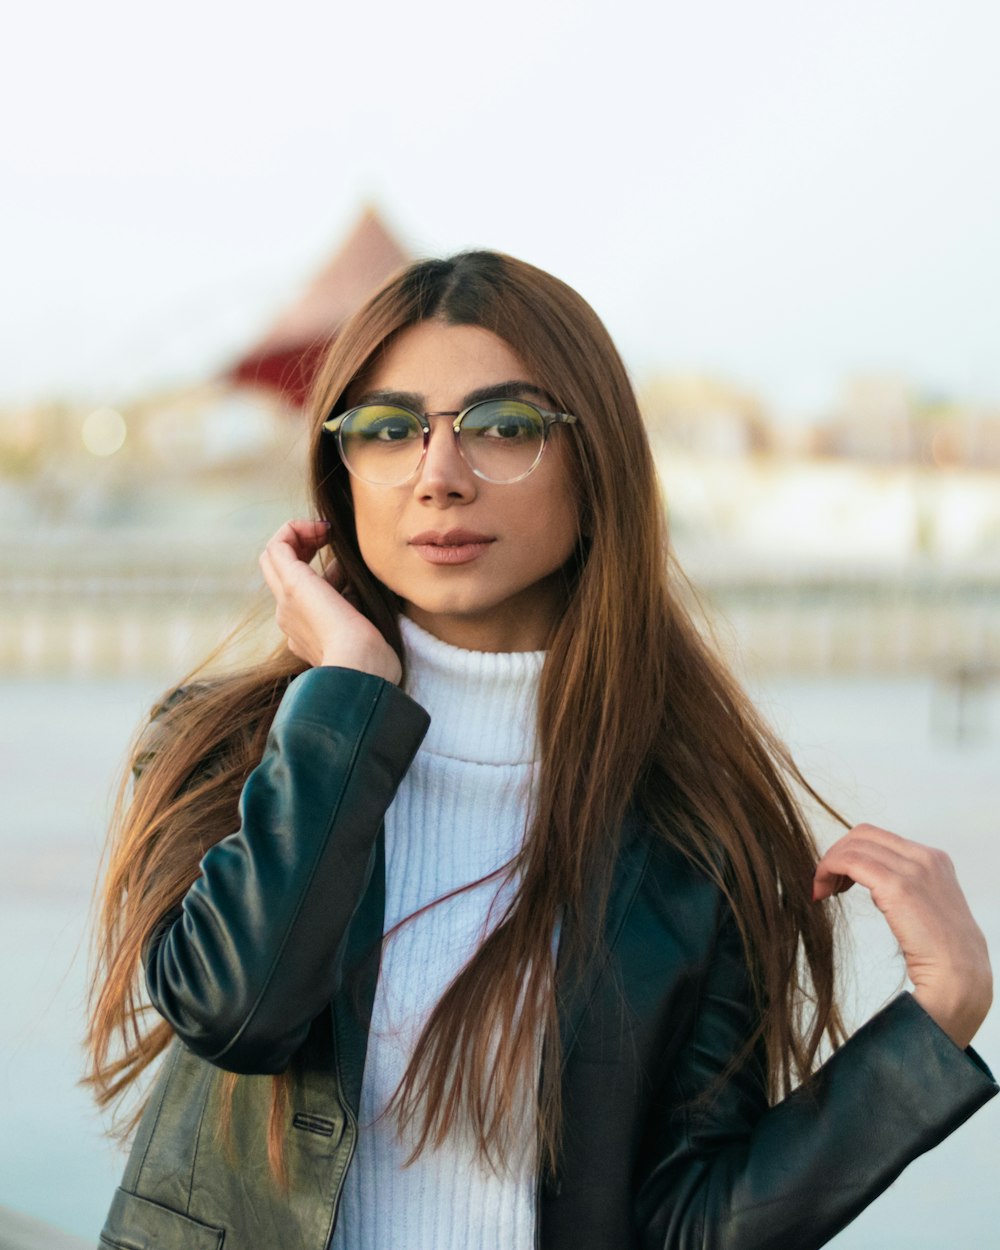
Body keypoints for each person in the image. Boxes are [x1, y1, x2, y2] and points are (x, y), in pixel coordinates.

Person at [86, 251, 995, 1250]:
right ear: (339, 472)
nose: (439, 475)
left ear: (593, 457)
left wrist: (932, 1025)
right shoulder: (230, 752)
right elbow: (238, 1012)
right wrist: (346, 689)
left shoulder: (696, 820)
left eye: (503, 426)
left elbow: (678, 1226)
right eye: (388, 430)